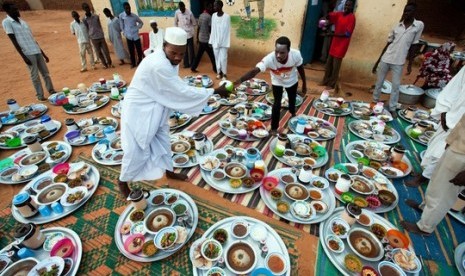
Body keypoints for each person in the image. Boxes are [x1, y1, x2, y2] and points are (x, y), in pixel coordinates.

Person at [117, 27, 229, 197]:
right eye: (173, 52)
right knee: (136, 149)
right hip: (140, 111)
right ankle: (123, 182)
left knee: (162, 140)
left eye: (182, 54)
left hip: (157, 106)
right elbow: (180, 92)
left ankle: (169, 171)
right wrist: (214, 92)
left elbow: (174, 86)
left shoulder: (168, 60)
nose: (177, 58)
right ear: (164, 46)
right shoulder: (158, 64)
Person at [400, 113, 465, 236]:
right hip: (456, 147)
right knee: (436, 182)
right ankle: (425, 208)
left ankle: (425, 227)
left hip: (462, 158)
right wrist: (450, 140)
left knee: (444, 194)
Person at [405, 66, 465, 188]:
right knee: (436, 146)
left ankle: (424, 177)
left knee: (441, 152)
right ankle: (426, 173)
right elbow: (454, 88)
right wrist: (443, 111)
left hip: (460, 125)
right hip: (451, 114)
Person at [234, 36, 307, 135]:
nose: (278, 55)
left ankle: (292, 111)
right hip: (277, 81)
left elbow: (301, 69)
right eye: (277, 51)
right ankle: (274, 127)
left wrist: (304, 85)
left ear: (288, 51)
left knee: (292, 98)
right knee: (277, 103)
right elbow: (255, 71)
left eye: (282, 53)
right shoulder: (269, 58)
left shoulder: (296, 55)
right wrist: (239, 80)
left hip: (292, 81)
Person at [372, 3, 424, 118]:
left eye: (409, 11)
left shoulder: (418, 26)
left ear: (414, 13)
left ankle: (392, 107)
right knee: (379, 83)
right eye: (405, 11)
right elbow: (388, 44)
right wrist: (377, 61)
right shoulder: (396, 26)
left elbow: (414, 45)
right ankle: (374, 102)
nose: (406, 13)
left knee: (395, 86)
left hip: (399, 61)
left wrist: (410, 64)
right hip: (386, 58)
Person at [2, 2, 56, 101]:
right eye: (14, 9)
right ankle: (40, 96)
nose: (17, 11)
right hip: (27, 53)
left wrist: (43, 54)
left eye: (16, 9)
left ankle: (51, 90)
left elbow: (32, 39)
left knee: (45, 73)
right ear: (7, 11)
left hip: (36, 50)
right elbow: (13, 40)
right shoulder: (7, 22)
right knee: (35, 76)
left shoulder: (23, 22)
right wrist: (24, 57)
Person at [320, 0, 356, 89]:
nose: (347, 7)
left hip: (342, 45)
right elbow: (331, 16)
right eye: (346, 5)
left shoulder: (351, 18)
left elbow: (347, 34)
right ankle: (325, 81)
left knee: (335, 67)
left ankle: (331, 84)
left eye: (349, 6)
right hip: (334, 43)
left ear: (352, 7)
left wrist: (332, 34)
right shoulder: (340, 14)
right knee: (328, 64)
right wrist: (326, 16)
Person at [82, 2, 114, 69]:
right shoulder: (84, 19)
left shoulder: (96, 16)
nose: (87, 9)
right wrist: (90, 34)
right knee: (99, 52)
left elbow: (99, 25)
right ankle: (104, 64)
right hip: (93, 38)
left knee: (106, 51)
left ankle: (110, 63)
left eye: (87, 7)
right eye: (85, 8)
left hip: (100, 36)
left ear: (89, 8)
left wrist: (101, 32)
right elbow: (87, 27)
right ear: (83, 9)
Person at [190, 3, 216, 74]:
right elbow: (210, 29)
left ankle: (193, 67)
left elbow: (198, 27)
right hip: (206, 40)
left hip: (201, 39)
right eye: (210, 7)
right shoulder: (209, 17)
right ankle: (215, 69)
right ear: (207, 8)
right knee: (212, 56)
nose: (211, 9)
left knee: (199, 55)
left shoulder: (200, 15)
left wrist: (197, 38)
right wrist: (212, 38)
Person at [209, 0, 231, 80]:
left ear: (220, 6)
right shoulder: (213, 16)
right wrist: (211, 41)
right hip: (215, 41)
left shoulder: (227, 17)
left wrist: (223, 41)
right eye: (214, 6)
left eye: (215, 6)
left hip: (224, 42)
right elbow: (213, 29)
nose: (214, 7)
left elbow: (227, 30)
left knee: (223, 58)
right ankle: (219, 73)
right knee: (217, 58)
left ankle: (224, 74)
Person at [119, 2, 144, 68]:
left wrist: (137, 28)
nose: (128, 10)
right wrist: (124, 33)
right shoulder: (121, 16)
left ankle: (140, 61)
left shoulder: (134, 16)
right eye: (126, 8)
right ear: (124, 9)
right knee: (131, 50)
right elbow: (121, 25)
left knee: (139, 50)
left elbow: (141, 23)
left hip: (135, 36)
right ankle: (133, 63)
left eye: (129, 8)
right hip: (128, 36)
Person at [174, 1, 196, 68]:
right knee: (184, 50)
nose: (182, 10)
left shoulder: (189, 12)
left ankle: (192, 64)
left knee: (191, 50)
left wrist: (192, 31)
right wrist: (177, 31)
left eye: (183, 9)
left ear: (184, 7)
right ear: (179, 8)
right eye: (181, 9)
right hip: (182, 35)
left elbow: (194, 23)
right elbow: (175, 23)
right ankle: (186, 64)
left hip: (189, 34)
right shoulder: (177, 12)